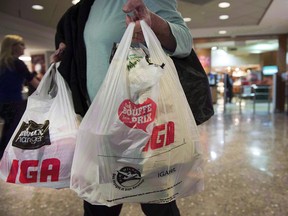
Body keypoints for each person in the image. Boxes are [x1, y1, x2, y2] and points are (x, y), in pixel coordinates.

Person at [51, 0, 192, 215]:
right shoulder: (84, 8)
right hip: (98, 126)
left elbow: (184, 41)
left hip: (147, 126)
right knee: (99, 205)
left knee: (159, 206)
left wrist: (152, 23)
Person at [0, 35, 39, 159]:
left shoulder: (2, 63)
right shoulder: (17, 63)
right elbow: (35, 83)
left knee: (8, 131)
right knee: (14, 133)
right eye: (21, 44)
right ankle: (7, 160)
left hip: (2, 103)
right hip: (14, 103)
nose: (24, 47)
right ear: (13, 47)